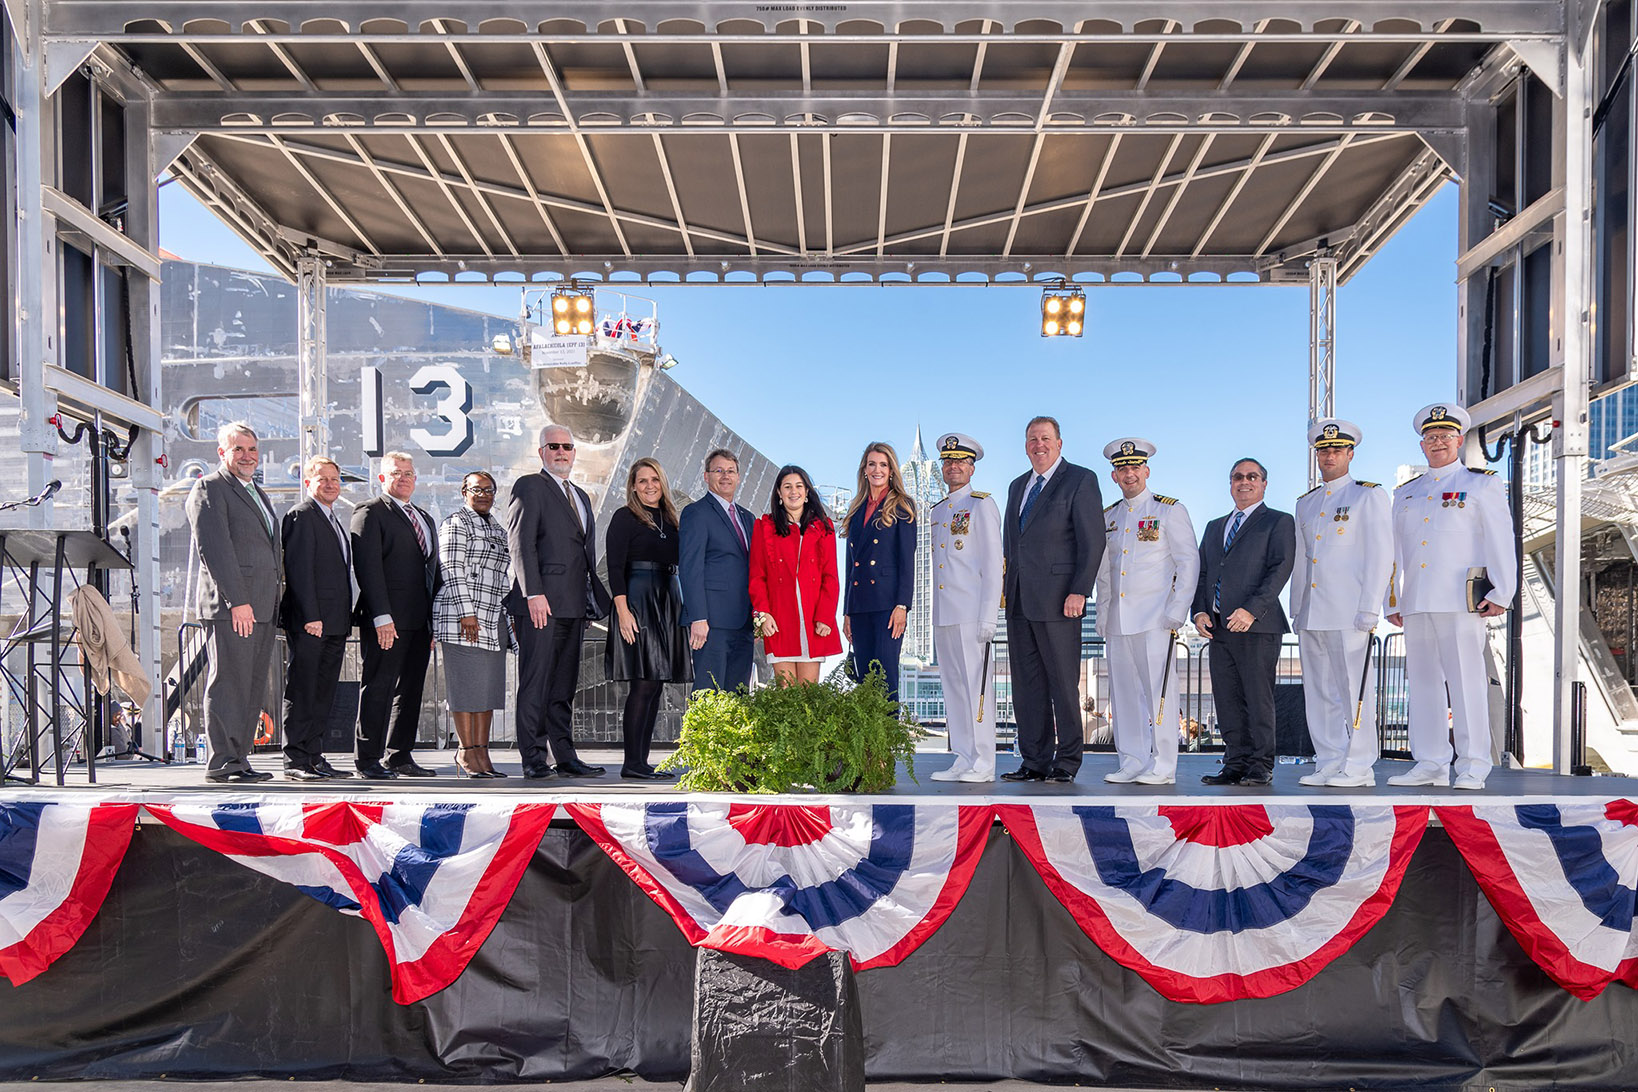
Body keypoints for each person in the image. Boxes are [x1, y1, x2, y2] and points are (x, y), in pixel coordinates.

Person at [1385, 403, 1516, 790]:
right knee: (1423, 685)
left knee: (1466, 683)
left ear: (1459, 441)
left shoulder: (1482, 484)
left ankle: (1474, 765)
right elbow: (1393, 552)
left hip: (1461, 600)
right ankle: (1431, 763)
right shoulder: (1406, 493)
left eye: (1445, 436)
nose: (1438, 442)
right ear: (1421, 445)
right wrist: (1392, 600)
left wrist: (1502, 592)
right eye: (1431, 437)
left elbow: (1500, 540)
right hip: (1417, 600)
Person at [1001, 416, 1106, 784]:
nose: (1039, 445)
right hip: (1019, 601)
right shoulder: (1017, 486)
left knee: (1062, 684)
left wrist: (1080, 589)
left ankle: (1067, 761)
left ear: (1059, 443)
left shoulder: (1080, 479)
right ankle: (1034, 760)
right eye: (1032, 439)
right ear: (1025, 446)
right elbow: (1012, 544)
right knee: (1027, 686)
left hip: (1061, 600)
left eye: (1045, 438)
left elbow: (1093, 540)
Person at [505, 424, 613, 779]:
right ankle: (534, 758)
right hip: (540, 604)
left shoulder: (580, 495)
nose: (561, 452)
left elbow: (583, 552)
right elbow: (521, 542)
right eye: (554, 446)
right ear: (542, 452)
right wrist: (532, 593)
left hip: (573, 606)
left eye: (567, 446)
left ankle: (565, 756)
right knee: (535, 683)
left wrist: (586, 598)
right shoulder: (529, 486)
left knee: (564, 686)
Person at [1291, 419, 1393, 789]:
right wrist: (1297, 607)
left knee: (1354, 690)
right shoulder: (1306, 503)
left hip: (1350, 610)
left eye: (1336, 450)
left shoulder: (1368, 496)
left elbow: (1381, 554)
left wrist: (1370, 607)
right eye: (1323, 450)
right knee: (1319, 693)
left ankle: (1360, 765)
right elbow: (1303, 559)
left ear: (1350, 454)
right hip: (1313, 610)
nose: (1329, 456)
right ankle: (1329, 760)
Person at [1095, 438, 1199, 786]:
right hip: (1118, 620)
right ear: (1114, 475)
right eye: (1122, 468)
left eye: (1135, 467)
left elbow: (1188, 562)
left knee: (1159, 693)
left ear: (1147, 471)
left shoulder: (1169, 511)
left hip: (1155, 618)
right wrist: (1103, 612)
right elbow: (1105, 572)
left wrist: (1177, 610)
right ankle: (1132, 760)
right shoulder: (1109, 517)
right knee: (1124, 695)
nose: (1129, 474)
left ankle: (1164, 763)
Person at [184, 421, 281, 784]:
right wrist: (237, 601)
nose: (246, 456)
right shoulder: (209, 488)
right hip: (233, 608)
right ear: (221, 452)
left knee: (252, 686)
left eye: (252, 449)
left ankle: (239, 759)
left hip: (261, 607)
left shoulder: (256, 492)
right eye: (238, 449)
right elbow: (215, 550)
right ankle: (222, 761)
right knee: (228, 683)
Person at [1192, 458, 1296, 787]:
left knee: (1257, 699)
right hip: (1219, 628)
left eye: (1252, 476)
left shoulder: (1278, 522)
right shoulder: (1214, 526)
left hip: (1257, 626)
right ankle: (1234, 764)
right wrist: (1199, 611)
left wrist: (1251, 610)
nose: (1244, 482)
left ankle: (1260, 765)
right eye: (1237, 477)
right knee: (1227, 699)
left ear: (1264, 484)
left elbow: (1280, 569)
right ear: (1230, 483)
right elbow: (1202, 572)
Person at [351, 451, 442, 780]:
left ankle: (399, 755)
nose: (403, 478)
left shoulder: (424, 517)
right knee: (379, 687)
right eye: (396, 473)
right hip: (386, 620)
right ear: (382, 478)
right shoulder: (370, 512)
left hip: (419, 620)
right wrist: (381, 616)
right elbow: (368, 568)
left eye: (408, 473)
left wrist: (434, 621)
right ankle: (367, 759)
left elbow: (432, 571)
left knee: (411, 690)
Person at [606, 458, 691, 780]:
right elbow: (615, 568)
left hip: (668, 599)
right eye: (642, 480)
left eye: (655, 479)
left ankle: (641, 762)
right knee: (643, 683)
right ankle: (632, 763)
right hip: (638, 601)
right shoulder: (624, 517)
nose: (650, 485)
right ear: (633, 486)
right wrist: (623, 611)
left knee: (655, 685)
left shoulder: (672, 520)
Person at [927, 433, 1003, 782]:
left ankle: (984, 761)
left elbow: (993, 564)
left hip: (972, 614)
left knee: (976, 687)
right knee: (954, 687)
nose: (953, 466)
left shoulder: (981, 505)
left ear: (972, 467)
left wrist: (989, 615)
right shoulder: (938, 511)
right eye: (948, 461)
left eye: (960, 461)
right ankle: (963, 756)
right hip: (944, 613)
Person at [278, 455, 354, 780]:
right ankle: (295, 759)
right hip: (312, 622)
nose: (331, 485)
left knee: (324, 692)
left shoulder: (333, 518)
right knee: (303, 689)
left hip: (334, 622)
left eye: (335, 479)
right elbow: (298, 569)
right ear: (308, 482)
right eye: (323, 479)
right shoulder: (302, 515)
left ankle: (314, 755)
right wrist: (311, 615)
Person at [432, 471, 513, 778]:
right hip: (462, 618)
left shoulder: (497, 528)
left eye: (489, 490)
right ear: (464, 492)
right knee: (466, 688)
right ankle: (465, 751)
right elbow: (451, 568)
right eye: (477, 489)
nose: (484, 495)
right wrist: (467, 613)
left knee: (487, 691)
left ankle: (482, 752)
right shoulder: (455, 522)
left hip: (492, 618)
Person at [749, 465, 841, 684]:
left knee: (809, 694)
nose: (794, 491)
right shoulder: (764, 527)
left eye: (799, 486)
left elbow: (830, 576)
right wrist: (763, 614)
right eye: (787, 486)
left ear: (807, 492)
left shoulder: (824, 528)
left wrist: (825, 616)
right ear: (779, 493)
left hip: (813, 622)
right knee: (786, 693)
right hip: (780, 621)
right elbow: (757, 576)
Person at [841, 442, 917, 701]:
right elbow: (850, 566)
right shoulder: (856, 509)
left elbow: (907, 562)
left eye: (883, 465)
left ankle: (890, 730)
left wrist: (902, 606)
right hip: (860, 607)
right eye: (872, 464)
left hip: (888, 607)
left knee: (885, 678)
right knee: (864, 681)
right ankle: (868, 731)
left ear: (891, 471)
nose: (877, 470)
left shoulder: (903, 506)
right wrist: (847, 612)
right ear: (864, 470)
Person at [679, 448, 756, 693]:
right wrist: (698, 617)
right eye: (718, 470)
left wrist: (756, 616)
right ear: (706, 476)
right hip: (712, 623)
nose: (725, 476)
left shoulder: (749, 518)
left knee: (738, 697)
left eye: (730, 471)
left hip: (744, 623)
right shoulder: (696, 513)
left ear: (738, 477)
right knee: (708, 694)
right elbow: (690, 568)